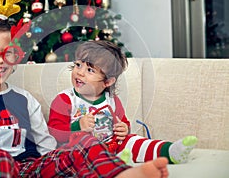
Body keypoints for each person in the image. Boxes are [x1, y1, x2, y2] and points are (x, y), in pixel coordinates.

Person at [0, 0, 170, 178]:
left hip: (28, 169)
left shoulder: (24, 100)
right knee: (0, 158)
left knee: (83, 141)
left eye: (8, 53)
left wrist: (64, 160)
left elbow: (47, 146)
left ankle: (121, 174)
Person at [48, 40, 198, 165]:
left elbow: (123, 122)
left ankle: (170, 152)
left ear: (107, 81)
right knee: (85, 144)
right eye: (78, 65)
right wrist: (78, 126)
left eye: (90, 70)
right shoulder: (65, 99)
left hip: (112, 145)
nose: (79, 72)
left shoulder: (112, 100)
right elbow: (54, 133)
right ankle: (114, 163)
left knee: (133, 140)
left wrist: (124, 128)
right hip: (80, 150)